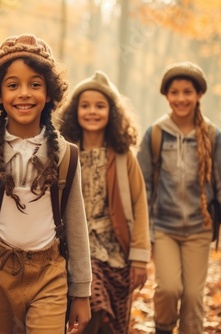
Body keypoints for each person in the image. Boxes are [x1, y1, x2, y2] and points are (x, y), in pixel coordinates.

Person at [0, 34, 92, 334]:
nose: (24, 94)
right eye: (13, 85)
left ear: (50, 93)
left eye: (35, 84)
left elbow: (76, 224)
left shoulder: (67, 155)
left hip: (50, 274)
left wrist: (81, 290)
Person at [136, 61, 221, 334]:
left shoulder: (210, 135)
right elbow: (142, 188)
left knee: (194, 298)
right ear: (166, 95)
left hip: (200, 229)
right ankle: (163, 327)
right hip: (164, 229)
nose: (181, 98)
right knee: (169, 289)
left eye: (187, 92)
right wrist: (142, 232)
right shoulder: (156, 134)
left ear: (198, 95)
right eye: (174, 92)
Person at [59, 71, 150, 333]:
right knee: (91, 304)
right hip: (76, 248)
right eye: (85, 106)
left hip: (115, 251)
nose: (92, 112)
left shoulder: (123, 158)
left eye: (100, 106)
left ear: (112, 113)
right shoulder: (65, 153)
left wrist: (140, 258)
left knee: (112, 323)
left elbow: (139, 207)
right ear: (75, 111)